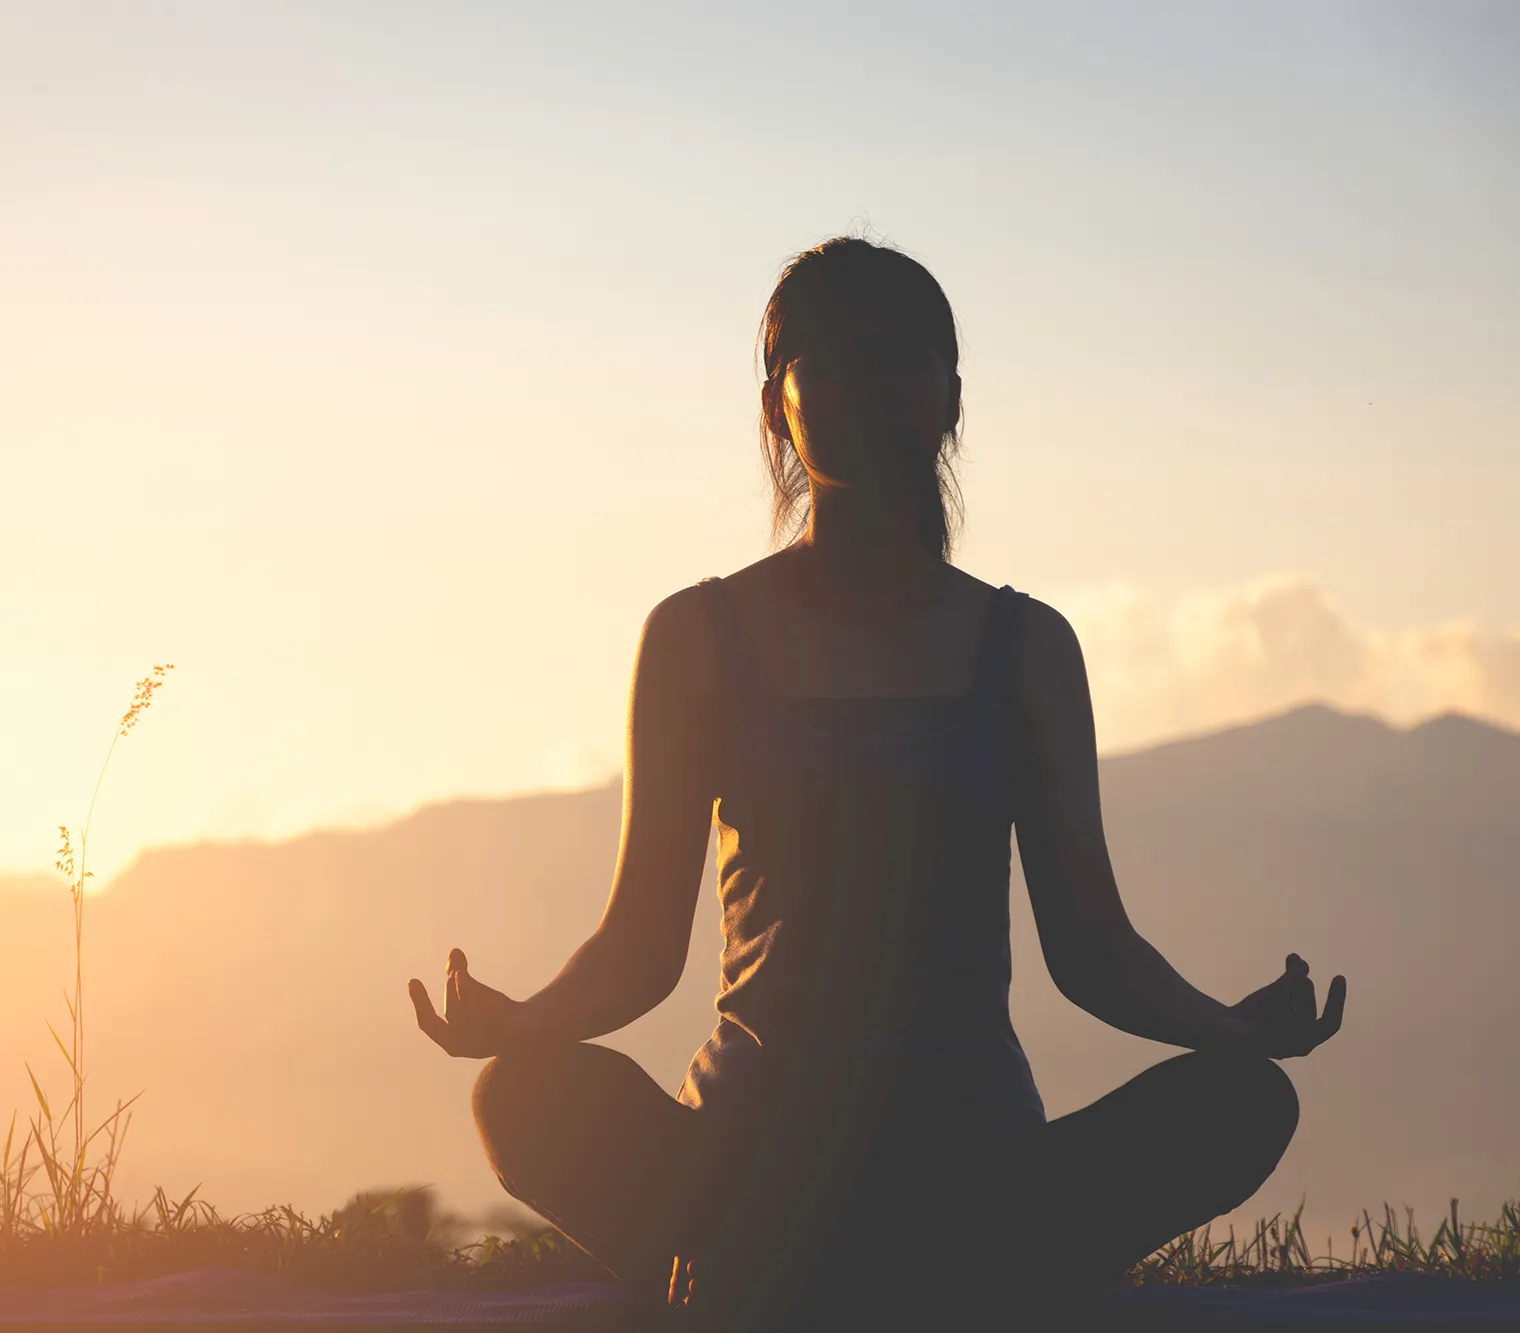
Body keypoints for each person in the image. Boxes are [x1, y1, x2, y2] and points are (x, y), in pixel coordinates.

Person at [406, 236, 1347, 1327]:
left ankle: (794, 1281)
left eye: (904, 359)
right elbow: (639, 948)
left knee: (1240, 1102)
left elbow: (1091, 948)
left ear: (950, 398)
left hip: (977, 1171)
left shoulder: (1025, 645)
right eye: (836, 359)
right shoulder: (696, 637)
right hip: (743, 1169)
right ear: (777, 404)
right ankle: (821, 1272)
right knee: (521, 1094)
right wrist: (517, 1023)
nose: (873, 385)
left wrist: (1229, 1032)